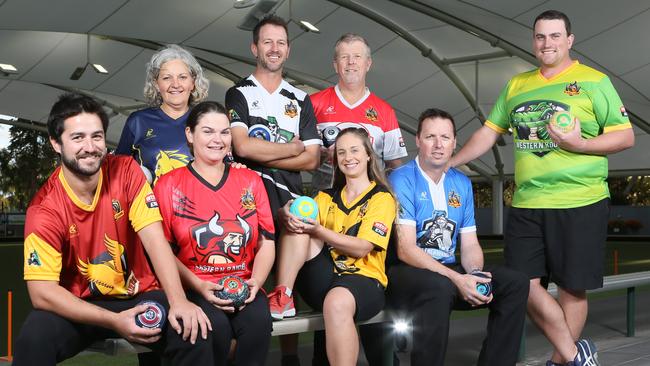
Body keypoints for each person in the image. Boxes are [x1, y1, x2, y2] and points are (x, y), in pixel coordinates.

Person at [449, 10, 635, 366]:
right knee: (522, 285)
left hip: (580, 199)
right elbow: (489, 132)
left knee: (571, 287)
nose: (546, 43)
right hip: (527, 201)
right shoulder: (518, 85)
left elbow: (625, 136)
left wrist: (580, 144)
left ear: (569, 40)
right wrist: (452, 162)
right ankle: (575, 355)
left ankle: (559, 361)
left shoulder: (594, 81)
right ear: (533, 41)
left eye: (554, 36)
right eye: (540, 36)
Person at [13, 94, 213, 366]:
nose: (90, 146)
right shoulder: (45, 209)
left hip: (138, 295)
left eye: (97, 136)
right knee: (33, 340)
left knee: (193, 330)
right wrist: (114, 321)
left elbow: (155, 241)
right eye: (78, 138)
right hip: (78, 304)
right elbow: (42, 292)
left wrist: (179, 301)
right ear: (56, 143)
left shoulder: (126, 171)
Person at [388, 108, 529, 366]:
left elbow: (470, 243)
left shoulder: (461, 183)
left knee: (515, 283)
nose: (439, 145)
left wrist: (474, 274)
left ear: (454, 142)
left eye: (445, 137)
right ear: (418, 140)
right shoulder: (401, 179)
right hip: (406, 272)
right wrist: (457, 279)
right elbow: (406, 249)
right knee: (439, 287)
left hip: (448, 271)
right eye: (431, 137)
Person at [224, 15, 320, 365]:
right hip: (247, 199)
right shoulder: (239, 92)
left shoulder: (299, 98)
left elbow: (312, 160)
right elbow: (242, 148)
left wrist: (277, 152)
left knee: (285, 285)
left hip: (288, 195)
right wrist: (291, 148)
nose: (274, 48)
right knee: (248, 286)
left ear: (288, 50)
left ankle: (290, 359)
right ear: (255, 47)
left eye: (281, 42)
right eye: (267, 42)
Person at [153, 101, 275, 365]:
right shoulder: (168, 185)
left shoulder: (251, 181)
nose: (217, 140)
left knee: (258, 323)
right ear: (190, 134)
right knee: (212, 326)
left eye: (224, 132)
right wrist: (198, 285)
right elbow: (159, 249)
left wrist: (256, 282)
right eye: (208, 131)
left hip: (244, 285)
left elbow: (267, 241)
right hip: (195, 287)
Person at [269, 127, 396, 365]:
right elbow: (295, 223)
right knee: (297, 223)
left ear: (369, 155)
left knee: (337, 302)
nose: (348, 157)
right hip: (324, 277)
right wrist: (284, 213)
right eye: (341, 152)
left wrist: (318, 230)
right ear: (335, 160)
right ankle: (282, 294)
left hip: (365, 280)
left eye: (355, 150)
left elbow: (362, 248)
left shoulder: (382, 198)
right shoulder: (324, 197)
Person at [310, 32, 407, 191]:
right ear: (335, 65)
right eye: (344, 57)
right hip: (324, 202)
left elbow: (394, 166)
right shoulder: (313, 103)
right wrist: (322, 154)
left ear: (368, 63)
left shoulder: (384, 111)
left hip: (370, 206)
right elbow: (298, 153)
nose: (351, 62)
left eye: (357, 56)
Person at [116, 44, 209, 185]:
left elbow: (223, 168)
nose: (175, 84)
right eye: (166, 78)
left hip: (199, 205)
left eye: (182, 77)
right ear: (156, 84)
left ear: (193, 82)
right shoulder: (138, 121)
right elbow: (118, 171)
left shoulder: (206, 121)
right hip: (151, 206)